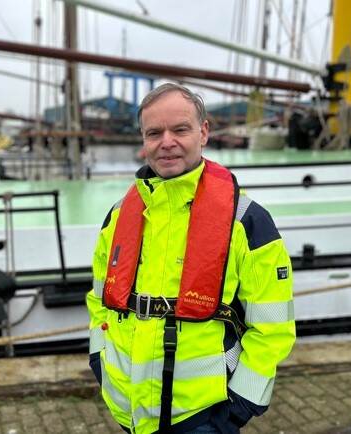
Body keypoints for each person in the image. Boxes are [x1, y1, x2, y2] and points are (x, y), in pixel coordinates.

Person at [87, 83, 295, 434]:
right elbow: (98, 301)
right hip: (128, 410)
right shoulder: (119, 216)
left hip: (205, 418)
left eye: (179, 129)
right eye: (154, 132)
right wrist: (101, 364)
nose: (166, 141)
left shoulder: (246, 220)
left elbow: (273, 328)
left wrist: (236, 411)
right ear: (143, 140)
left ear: (203, 132)